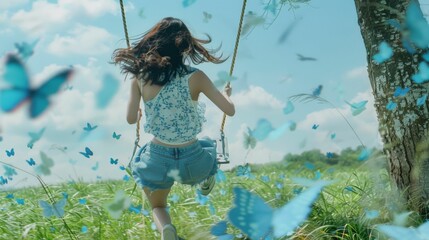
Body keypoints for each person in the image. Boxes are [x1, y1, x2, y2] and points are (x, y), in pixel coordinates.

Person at [112, 17, 235, 240]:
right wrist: (227, 95)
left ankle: (167, 230)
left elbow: (131, 119)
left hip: (157, 159)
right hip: (193, 161)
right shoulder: (196, 77)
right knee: (209, 147)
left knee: (158, 206)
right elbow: (229, 110)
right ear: (186, 46)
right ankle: (206, 178)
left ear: (152, 43)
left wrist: (139, 113)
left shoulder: (140, 78)